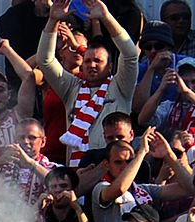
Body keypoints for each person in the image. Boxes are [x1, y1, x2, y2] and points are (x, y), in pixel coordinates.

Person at [36, 0, 138, 168]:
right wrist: (52, 21)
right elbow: (45, 61)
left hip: (114, 172)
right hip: (78, 175)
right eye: (88, 61)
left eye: (98, 61)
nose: (92, 65)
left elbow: (130, 54)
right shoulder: (72, 88)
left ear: (110, 66)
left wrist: (106, 17)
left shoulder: (120, 87)